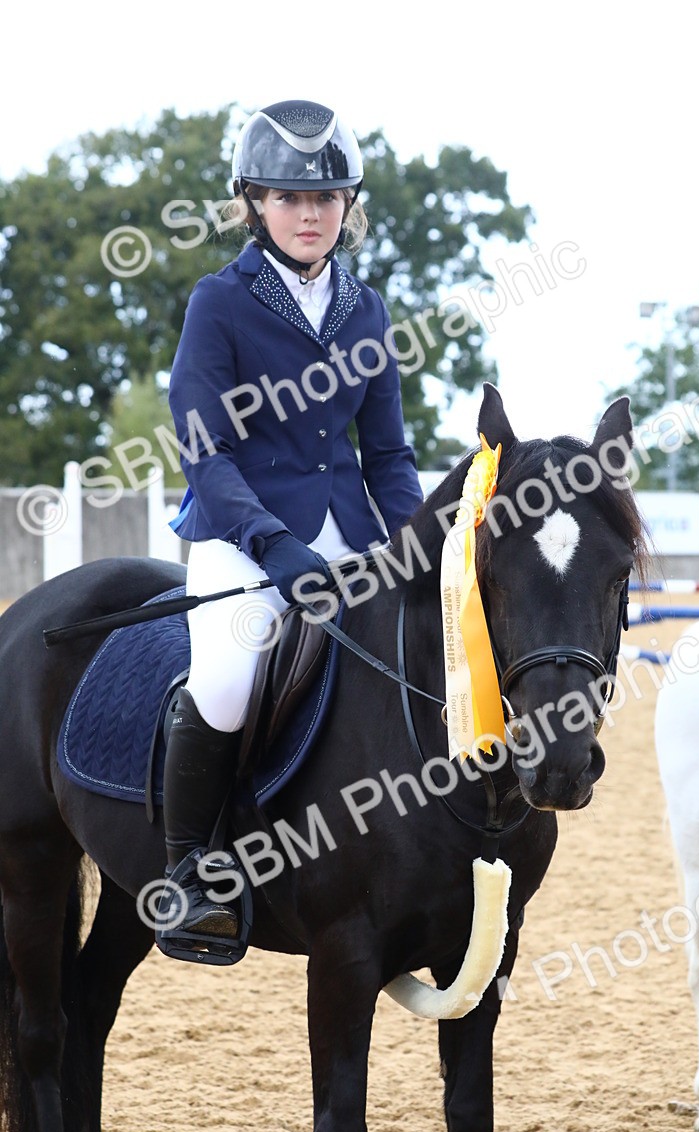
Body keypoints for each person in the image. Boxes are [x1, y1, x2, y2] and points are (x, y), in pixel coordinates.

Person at [160, 100, 423, 947]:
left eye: (325, 198)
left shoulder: (367, 309)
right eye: (287, 198)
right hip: (242, 537)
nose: (309, 215)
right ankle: (189, 873)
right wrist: (270, 542)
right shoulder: (219, 302)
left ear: (349, 207)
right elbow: (205, 447)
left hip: (349, 531)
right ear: (252, 203)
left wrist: (422, 546)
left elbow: (386, 454)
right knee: (230, 677)